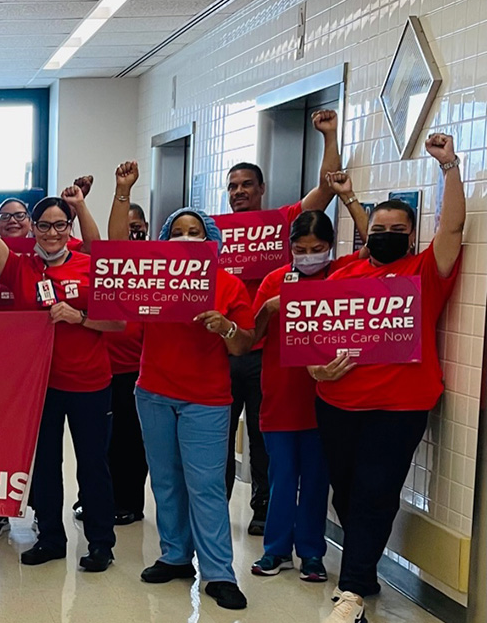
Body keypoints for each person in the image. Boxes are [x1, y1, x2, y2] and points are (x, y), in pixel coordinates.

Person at [314, 134, 464, 623]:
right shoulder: (341, 276)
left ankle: (353, 590)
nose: (386, 234)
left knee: (377, 491)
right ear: (366, 233)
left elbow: (454, 227)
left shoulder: (425, 272)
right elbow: (313, 338)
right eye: (378, 228)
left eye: (398, 228)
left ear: (411, 234)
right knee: (347, 491)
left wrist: (449, 168)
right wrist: (316, 366)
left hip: (399, 407)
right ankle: (365, 570)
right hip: (336, 402)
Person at [109, 160, 254, 610]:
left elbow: (245, 345)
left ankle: (218, 573)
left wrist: (226, 327)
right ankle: (174, 555)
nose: (186, 239)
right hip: (152, 392)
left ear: (211, 241)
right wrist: (122, 191)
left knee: (206, 484)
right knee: (166, 480)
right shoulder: (153, 280)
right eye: (178, 231)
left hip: (206, 400)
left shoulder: (228, 286)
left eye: (196, 232)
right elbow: (116, 253)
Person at [0, 160, 122, 570]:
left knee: (93, 466)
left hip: (90, 383)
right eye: (44, 225)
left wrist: (80, 318)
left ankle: (100, 544)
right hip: (41, 386)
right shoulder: (20, 267)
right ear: (32, 229)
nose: (51, 233)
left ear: (68, 228)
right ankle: (50, 537)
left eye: (59, 225)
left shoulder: (89, 264)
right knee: (46, 467)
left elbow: (119, 321)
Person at [223, 109, 342, 536]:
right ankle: (216, 508)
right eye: (233, 186)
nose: (239, 192)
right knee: (219, 436)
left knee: (261, 438)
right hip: (225, 348)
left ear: (261, 189)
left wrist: (328, 135)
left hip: (267, 353)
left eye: (246, 185)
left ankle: (262, 508)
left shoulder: (282, 226)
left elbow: (326, 190)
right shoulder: (214, 235)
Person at [248, 173, 369, 583]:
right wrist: (271, 307)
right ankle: (275, 549)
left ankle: (312, 552)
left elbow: (374, 249)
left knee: (317, 480)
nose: (309, 256)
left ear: (330, 248)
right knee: (283, 477)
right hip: (281, 394)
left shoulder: (341, 276)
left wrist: (349, 199)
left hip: (325, 398)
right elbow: (252, 335)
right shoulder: (274, 280)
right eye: (300, 250)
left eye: (317, 249)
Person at [103, 202, 150, 527]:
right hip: (104, 368)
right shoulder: (105, 265)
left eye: (138, 225)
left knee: (132, 442)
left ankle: (130, 502)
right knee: (103, 441)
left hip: (139, 369)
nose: (133, 231)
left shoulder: (157, 266)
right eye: (127, 225)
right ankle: (100, 498)